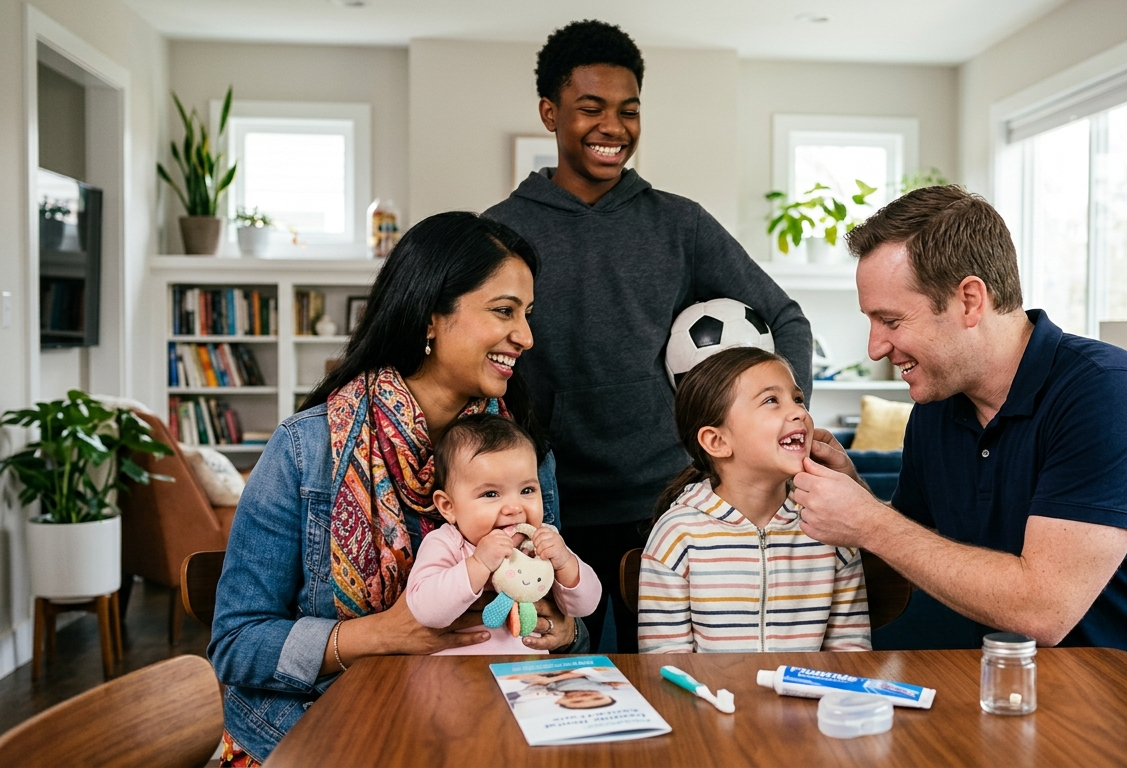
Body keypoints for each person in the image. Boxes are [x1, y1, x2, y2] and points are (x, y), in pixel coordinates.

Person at [790, 186, 1127, 698]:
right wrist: (851, 497)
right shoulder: (936, 414)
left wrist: (870, 522)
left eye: (891, 321)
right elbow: (916, 555)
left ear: (969, 300)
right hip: (1027, 706)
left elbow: (1043, 608)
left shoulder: (1110, 394)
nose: (876, 347)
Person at [208, 212, 586, 766]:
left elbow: (554, 601)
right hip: (316, 735)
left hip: (484, 728)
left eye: (527, 315)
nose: (526, 337)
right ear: (430, 317)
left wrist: (563, 628)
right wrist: (384, 634)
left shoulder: (527, 454)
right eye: (504, 311)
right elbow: (236, 645)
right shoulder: (304, 450)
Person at [484, 20, 812, 652]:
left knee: (664, 686)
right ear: (550, 113)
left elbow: (785, 317)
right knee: (555, 680)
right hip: (545, 506)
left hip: (667, 502)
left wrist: (782, 415)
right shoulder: (501, 230)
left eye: (628, 110)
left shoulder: (680, 224)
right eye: (591, 109)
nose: (614, 127)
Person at [637, 347, 871, 653]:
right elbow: (663, 661)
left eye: (798, 399)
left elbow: (850, 651)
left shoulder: (831, 524)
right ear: (717, 442)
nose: (800, 411)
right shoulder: (677, 534)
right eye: (771, 400)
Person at [405, 414, 602, 653]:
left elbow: (587, 605)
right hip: (457, 680)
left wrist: (565, 563)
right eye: (490, 494)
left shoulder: (542, 541)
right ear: (449, 507)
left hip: (527, 679)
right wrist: (478, 564)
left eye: (527, 490)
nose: (514, 508)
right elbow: (426, 611)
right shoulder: (446, 543)